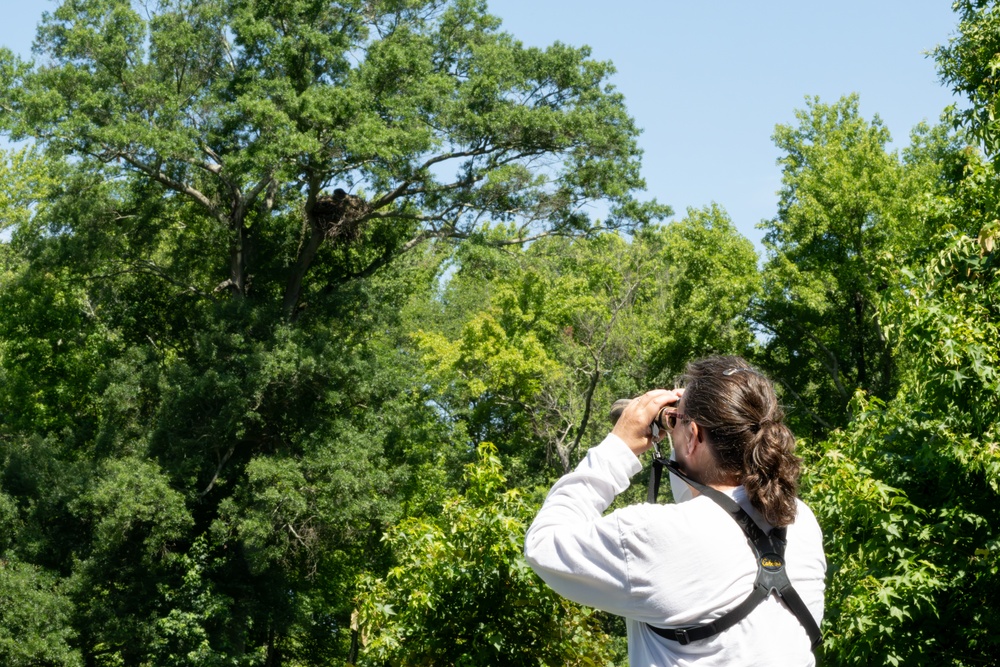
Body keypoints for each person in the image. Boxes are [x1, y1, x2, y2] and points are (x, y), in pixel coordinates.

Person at [524, 355, 826, 666]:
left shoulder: (651, 535)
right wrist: (684, 424)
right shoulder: (799, 519)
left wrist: (618, 447)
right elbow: (711, 508)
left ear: (694, 436)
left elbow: (543, 544)